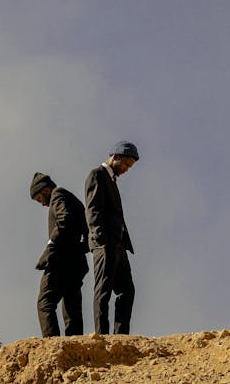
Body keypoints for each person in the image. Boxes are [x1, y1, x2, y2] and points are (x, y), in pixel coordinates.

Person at [84, 141, 139, 334]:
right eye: (125, 164)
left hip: (119, 245)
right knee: (103, 291)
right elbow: (93, 209)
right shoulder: (97, 175)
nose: (126, 169)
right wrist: (100, 238)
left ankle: (120, 338)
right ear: (116, 156)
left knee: (127, 291)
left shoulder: (113, 181)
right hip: (105, 244)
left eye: (129, 167)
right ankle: (102, 336)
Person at [29, 172, 89, 337]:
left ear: (45, 189)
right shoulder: (71, 199)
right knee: (71, 305)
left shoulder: (58, 195)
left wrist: (51, 245)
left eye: (39, 198)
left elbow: (64, 220)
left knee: (45, 303)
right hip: (76, 262)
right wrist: (82, 248)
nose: (41, 204)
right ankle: (74, 344)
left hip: (60, 260)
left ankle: (51, 346)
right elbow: (86, 225)